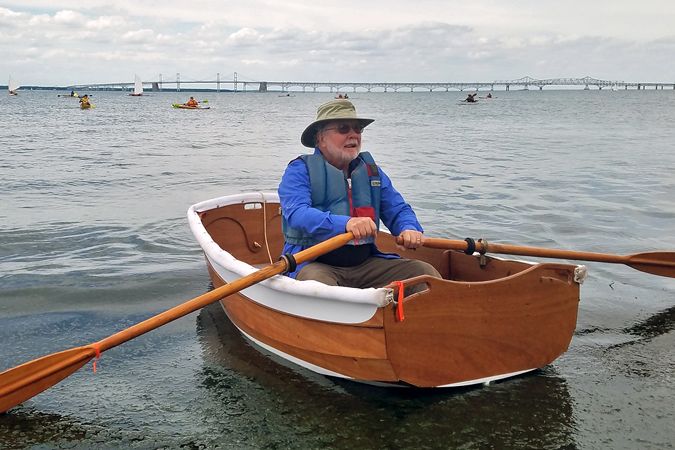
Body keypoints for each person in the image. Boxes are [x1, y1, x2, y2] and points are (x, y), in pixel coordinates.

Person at [278, 99, 441, 295]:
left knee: (423, 273)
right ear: (320, 139)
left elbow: (398, 209)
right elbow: (297, 214)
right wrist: (346, 224)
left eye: (358, 129)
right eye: (343, 128)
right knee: (318, 288)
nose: (353, 134)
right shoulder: (299, 170)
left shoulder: (372, 172)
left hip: (365, 264)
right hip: (315, 263)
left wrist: (409, 228)